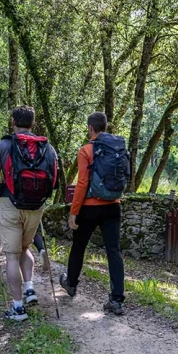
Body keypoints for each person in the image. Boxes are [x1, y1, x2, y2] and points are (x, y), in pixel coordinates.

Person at [0, 106, 58, 321]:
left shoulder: (2, 146)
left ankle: (17, 308)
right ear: (33, 123)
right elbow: (54, 180)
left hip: (10, 204)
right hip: (36, 207)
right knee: (25, 248)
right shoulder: (47, 148)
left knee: (12, 256)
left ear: (12, 121)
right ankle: (30, 288)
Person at [59, 112, 128, 315]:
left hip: (89, 208)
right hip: (113, 205)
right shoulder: (117, 150)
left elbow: (82, 184)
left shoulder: (86, 150)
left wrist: (74, 212)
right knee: (114, 251)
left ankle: (71, 284)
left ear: (90, 128)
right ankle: (116, 300)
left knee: (79, 246)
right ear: (105, 127)